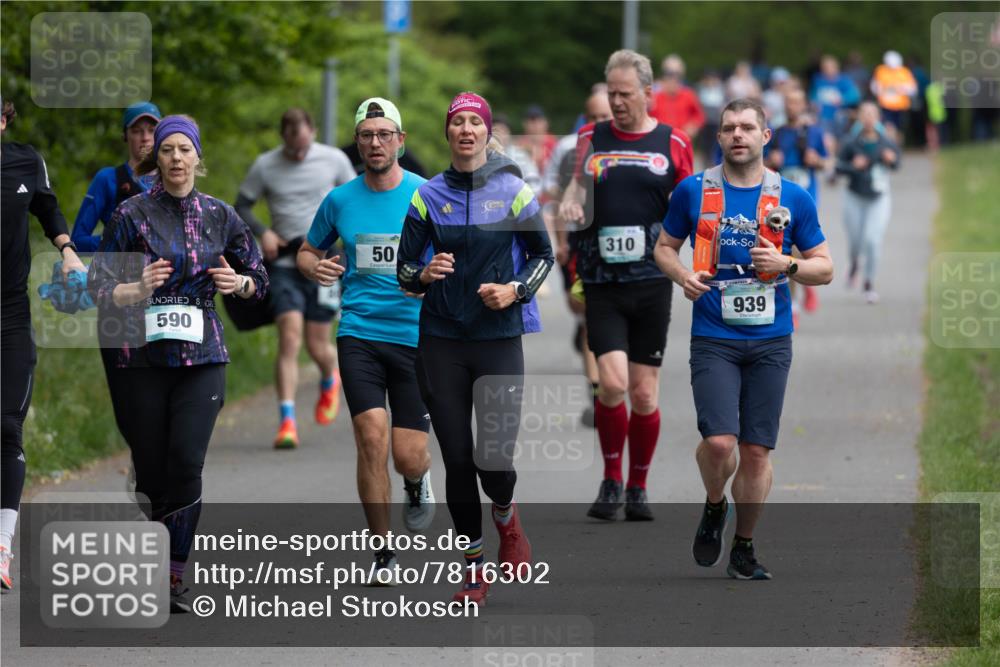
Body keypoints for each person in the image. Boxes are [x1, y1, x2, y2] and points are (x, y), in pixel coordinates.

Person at [88, 115, 268, 612]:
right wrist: (136, 288)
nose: (174, 158)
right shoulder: (129, 214)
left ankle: (172, 572)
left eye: (184, 150)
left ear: (197, 158)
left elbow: (259, 278)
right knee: (152, 470)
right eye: (166, 150)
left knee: (187, 459)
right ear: (157, 159)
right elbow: (97, 286)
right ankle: (156, 545)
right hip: (140, 358)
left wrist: (241, 285)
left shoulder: (220, 215)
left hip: (202, 354)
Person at [655, 98, 833, 580]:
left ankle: (745, 547)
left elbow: (825, 267)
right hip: (714, 335)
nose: (738, 134)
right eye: (729, 127)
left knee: (756, 451)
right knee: (719, 444)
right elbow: (665, 248)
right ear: (718, 136)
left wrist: (788, 265)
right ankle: (716, 504)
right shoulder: (692, 191)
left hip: (773, 339)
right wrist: (681, 276)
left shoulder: (792, 196)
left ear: (765, 135)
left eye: (747, 127)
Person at [397, 92, 553, 607]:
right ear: (448, 133)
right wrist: (424, 274)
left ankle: (506, 513)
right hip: (441, 341)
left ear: (487, 132)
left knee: (494, 460)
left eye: (474, 122)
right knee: (459, 461)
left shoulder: (512, 191)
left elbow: (542, 255)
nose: (466, 130)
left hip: (497, 339)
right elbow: (403, 271)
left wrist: (515, 291)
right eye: (457, 122)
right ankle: (473, 566)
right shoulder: (427, 196)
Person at [299, 98, 435, 581]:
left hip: (417, 336)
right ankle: (383, 553)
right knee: (370, 437)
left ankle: (417, 483)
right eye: (366, 136)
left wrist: (428, 275)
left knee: (408, 455)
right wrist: (315, 267)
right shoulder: (340, 200)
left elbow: (453, 258)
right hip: (359, 332)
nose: (375, 143)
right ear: (357, 144)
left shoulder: (428, 196)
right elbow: (307, 251)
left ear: (400, 140)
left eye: (384, 134)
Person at [559, 50, 693, 522]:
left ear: (647, 94)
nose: (616, 102)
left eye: (624, 94)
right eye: (610, 94)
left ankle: (638, 485)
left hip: (652, 278)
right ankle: (611, 477)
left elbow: (688, 202)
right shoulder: (589, 137)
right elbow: (575, 185)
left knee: (643, 394)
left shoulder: (673, 142)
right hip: (601, 279)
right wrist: (572, 205)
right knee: (611, 383)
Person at [1, 99, 86, 590]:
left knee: (6, 425)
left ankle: (2, 546)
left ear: (3, 120)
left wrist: (68, 251)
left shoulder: (24, 161)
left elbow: (47, 207)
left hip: (8, 317)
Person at [236, 108, 355, 448]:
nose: (299, 153)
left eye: (304, 144)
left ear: (313, 132)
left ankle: (330, 376)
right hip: (285, 264)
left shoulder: (333, 160)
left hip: (324, 262)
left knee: (318, 344)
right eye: (293, 146)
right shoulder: (266, 164)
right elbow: (241, 206)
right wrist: (264, 232)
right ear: (283, 138)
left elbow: (354, 200)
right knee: (289, 338)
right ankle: (287, 421)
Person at [765, 87, 829, 322]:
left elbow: (827, 163)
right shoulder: (776, 133)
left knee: (802, 247)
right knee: (788, 249)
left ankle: (807, 286)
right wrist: (771, 160)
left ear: (803, 105)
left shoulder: (814, 133)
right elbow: (760, 164)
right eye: (788, 102)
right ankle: (793, 306)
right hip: (781, 201)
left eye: (796, 102)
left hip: (808, 198)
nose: (792, 107)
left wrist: (817, 161)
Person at [71, 102, 162, 252]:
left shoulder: (173, 177)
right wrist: (117, 242)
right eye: (137, 131)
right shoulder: (107, 179)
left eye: (152, 131)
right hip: (125, 272)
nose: (145, 138)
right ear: (125, 135)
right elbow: (77, 240)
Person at [835, 101, 900, 304]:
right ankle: (854, 263)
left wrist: (891, 160)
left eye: (872, 114)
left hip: (879, 198)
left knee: (872, 240)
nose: (869, 118)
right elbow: (838, 168)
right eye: (865, 114)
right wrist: (853, 166)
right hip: (854, 196)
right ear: (860, 118)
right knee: (855, 241)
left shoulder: (886, 141)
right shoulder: (851, 142)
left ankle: (869, 283)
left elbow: (898, 162)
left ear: (878, 118)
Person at [649, 55, 705, 142]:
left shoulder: (688, 95)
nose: (674, 78)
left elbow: (699, 116)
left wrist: (694, 125)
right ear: (663, 75)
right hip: (659, 142)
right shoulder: (654, 96)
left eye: (677, 74)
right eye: (669, 73)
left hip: (682, 142)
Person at [809, 55, 860, 150]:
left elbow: (855, 95)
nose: (827, 70)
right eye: (824, 68)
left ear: (836, 68)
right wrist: (814, 104)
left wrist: (842, 99)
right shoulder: (818, 80)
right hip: (822, 117)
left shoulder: (844, 81)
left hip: (839, 116)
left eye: (829, 67)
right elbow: (813, 96)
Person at [870, 51, 917, 144]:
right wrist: (879, 90)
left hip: (901, 106)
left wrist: (902, 88)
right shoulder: (881, 71)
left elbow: (913, 89)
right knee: (888, 127)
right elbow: (874, 86)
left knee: (899, 128)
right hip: (885, 106)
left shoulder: (904, 72)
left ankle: (897, 148)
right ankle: (889, 145)